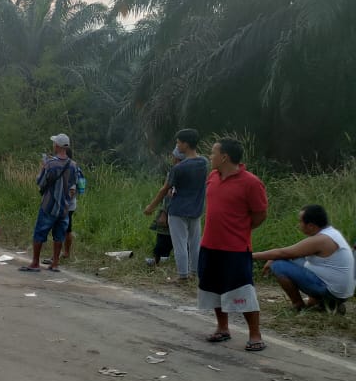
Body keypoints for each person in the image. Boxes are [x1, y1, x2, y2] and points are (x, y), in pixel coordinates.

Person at [199, 137, 268, 352]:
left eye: (213, 153)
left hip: (235, 248)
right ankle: (222, 328)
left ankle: (255, 335)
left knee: (243, 290)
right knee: (213, 288)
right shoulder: (212, 177)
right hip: (210, 244)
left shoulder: (251, 182)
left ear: (224, 157)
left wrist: (240, 230)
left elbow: (259, 215)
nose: (211, 157)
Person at [253, 205, 353, 314]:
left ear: (310, 226)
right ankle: (325, 303)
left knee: (278, 265)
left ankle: (298, 305)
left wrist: (249, 256)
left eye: (300, 221)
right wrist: (274, 257)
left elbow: (283, 252)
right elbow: (294, 253)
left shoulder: (321, 239)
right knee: (289, 259)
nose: (298, 225)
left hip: (331, 292)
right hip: (341, 292)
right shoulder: (331, 233)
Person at [144, 128, 209, 281]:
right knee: (194, 243)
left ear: (186, 144)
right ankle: (195, 273)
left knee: (180, 244)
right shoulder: (204, 162)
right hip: (196, 209)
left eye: (178, 142)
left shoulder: (178, 168)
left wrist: (151, 207)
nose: (177, 145)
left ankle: (182, 276)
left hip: (178, 210)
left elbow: (164, 189)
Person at [19, 134, 78, 274]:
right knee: (59, 235)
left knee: (40, 233)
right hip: (64, 207)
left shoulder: (51, 164)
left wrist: (43, 167)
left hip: (49, 205)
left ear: (57, 146)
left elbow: (40, 182)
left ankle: (35, 263)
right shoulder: (73, 165)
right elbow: (73, 186)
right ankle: (55, 263)